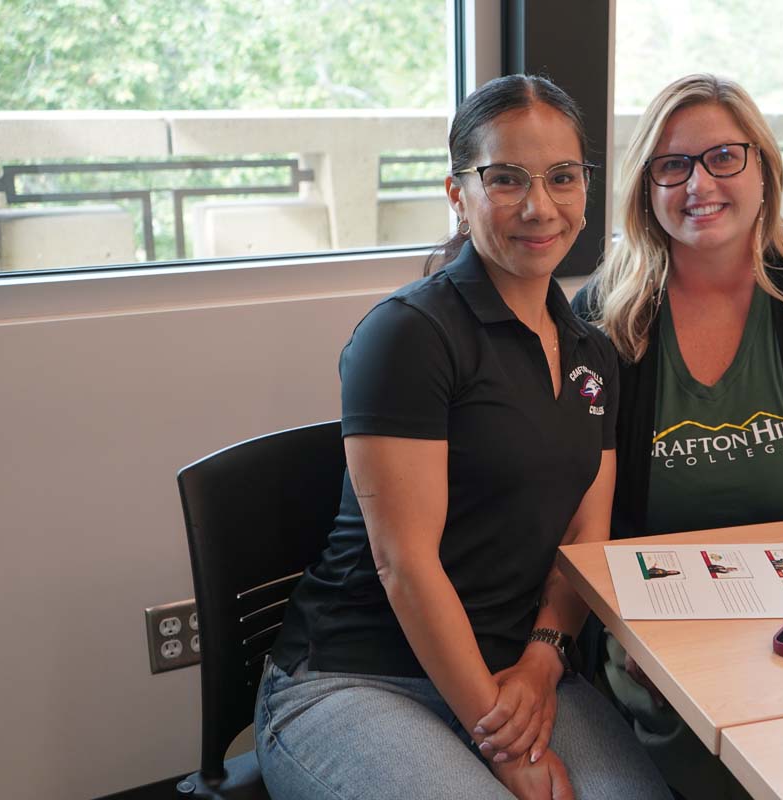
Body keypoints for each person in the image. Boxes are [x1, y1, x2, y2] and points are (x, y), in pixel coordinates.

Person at [254, 74, 670, 800]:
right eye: (505, 178)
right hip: (361, 678)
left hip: (518, 669)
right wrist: (501, 746)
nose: (539, 206)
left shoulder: (591, 352)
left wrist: (544, 660)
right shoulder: (410, 335)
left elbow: (586, 534)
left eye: (562, 177)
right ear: (458, 193)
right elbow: (403, 564)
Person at [575, 73, 783, 799]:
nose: (700, 183)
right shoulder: (606, 318)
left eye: (723, 157)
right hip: (664, 643)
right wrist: (624, 635)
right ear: (646, 189)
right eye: (673, 165)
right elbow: (577, 512)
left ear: (764, 166)